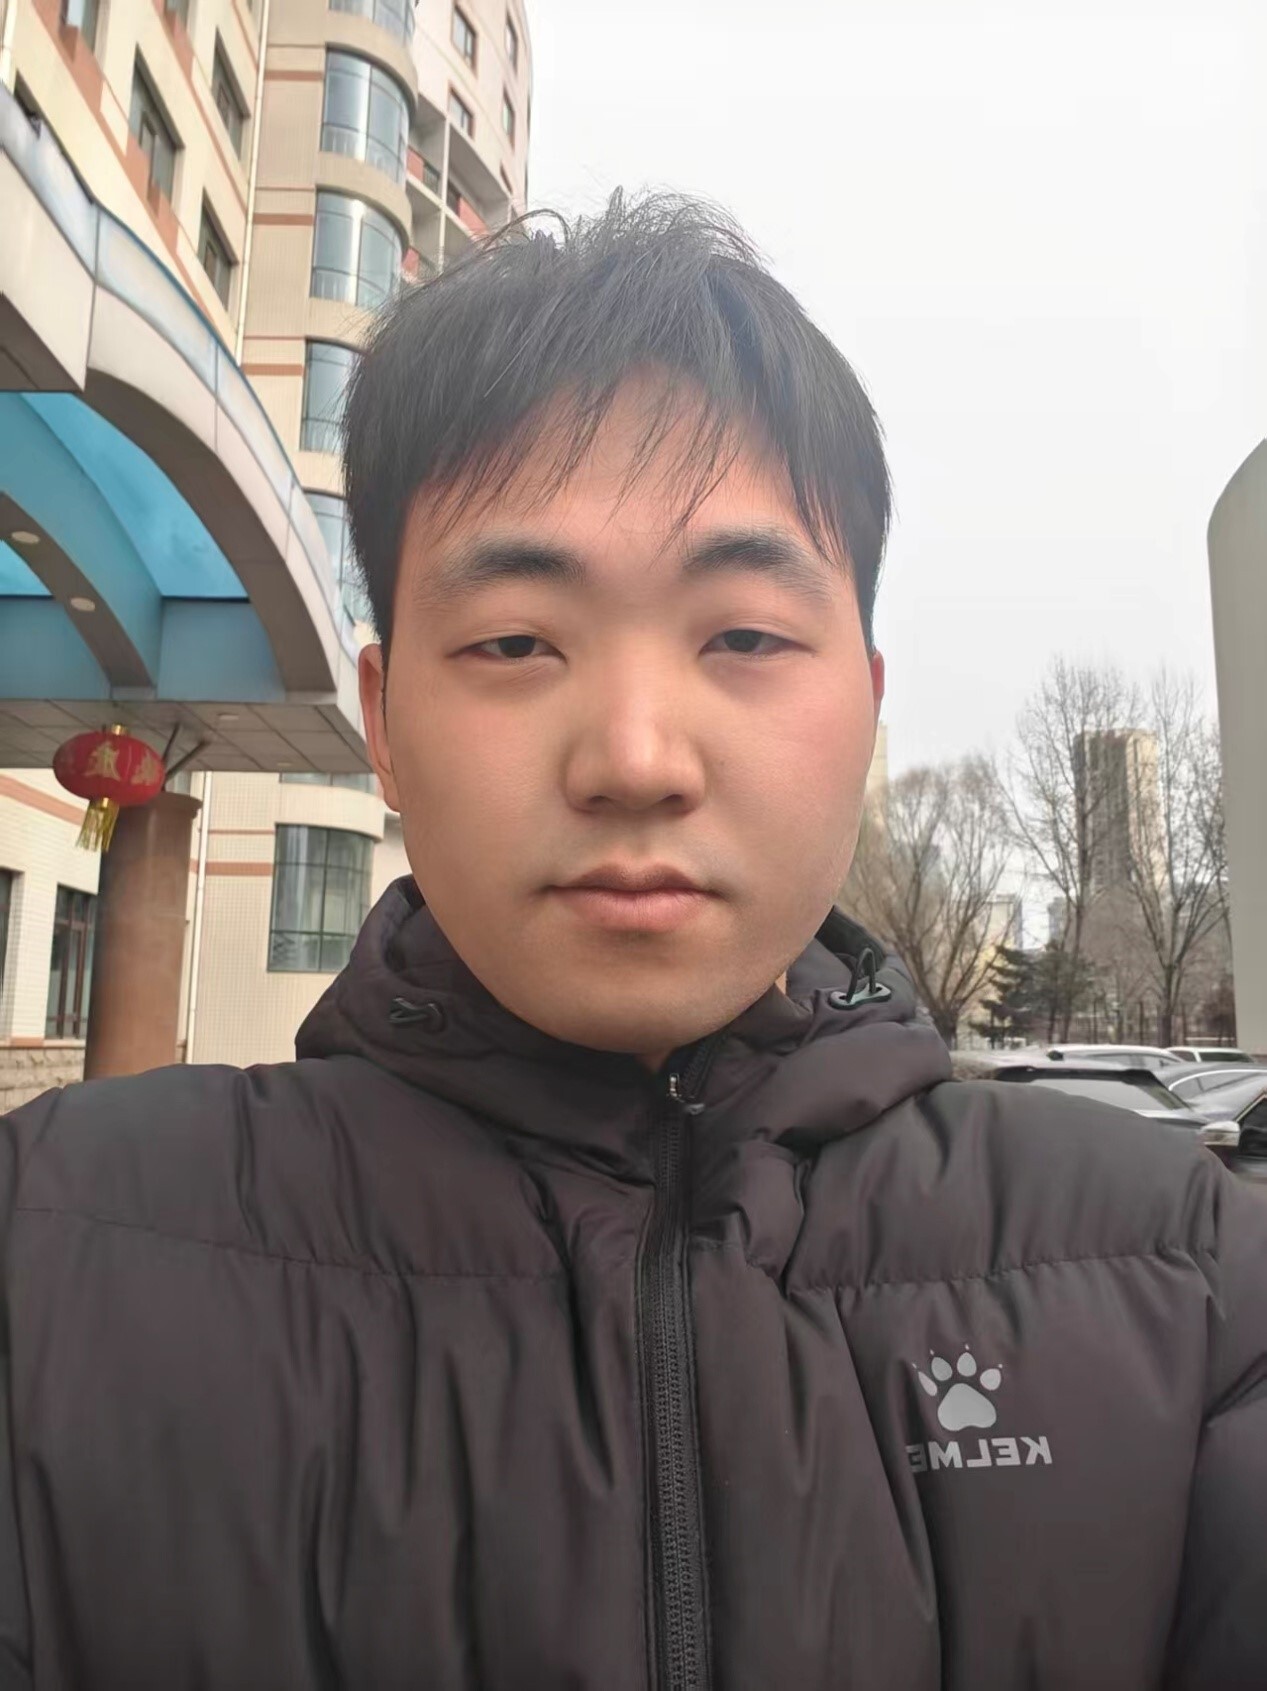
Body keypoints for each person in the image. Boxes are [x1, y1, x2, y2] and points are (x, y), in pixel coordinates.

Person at [1, 193, 1263, 1691]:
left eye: (743, 637)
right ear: (386, 722)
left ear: (864, 706)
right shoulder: (53, 1254)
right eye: (516, 642)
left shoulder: (1193, 1284)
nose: (636, 757)